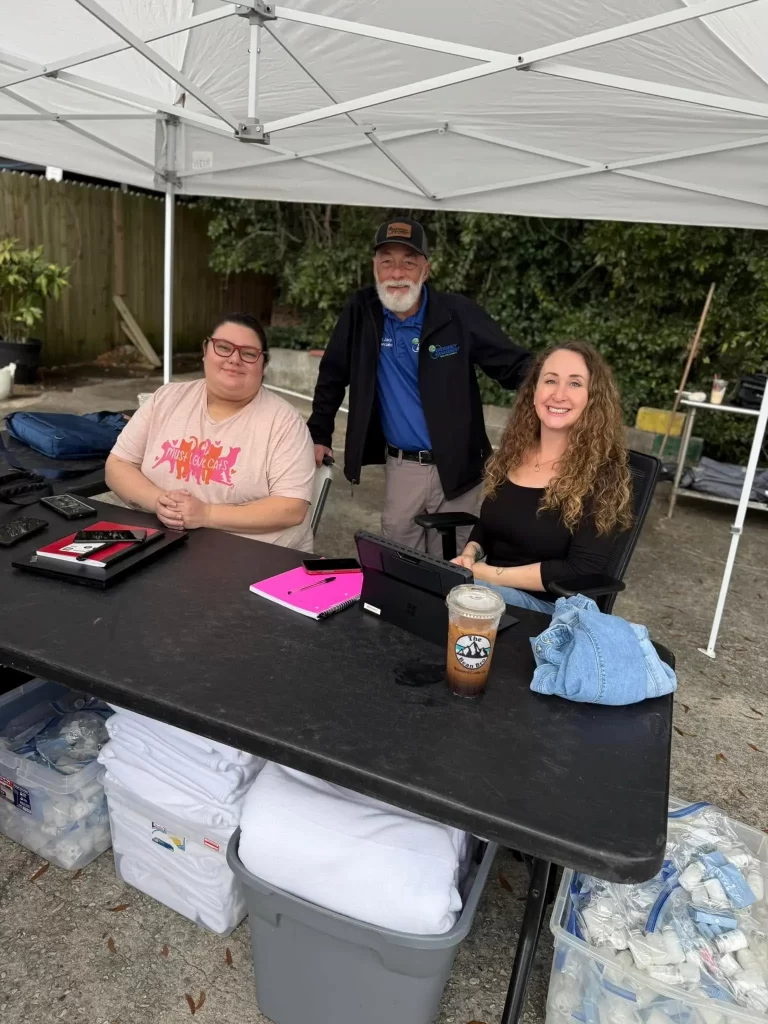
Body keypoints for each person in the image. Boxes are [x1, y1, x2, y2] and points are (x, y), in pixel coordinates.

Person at [308, 216, 531, 555]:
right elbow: (333, 373)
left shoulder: (457, 314)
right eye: (387, 262)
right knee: (400, 559)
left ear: (425, 270)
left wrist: (557, 384)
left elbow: (512, 365)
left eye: (408, 263)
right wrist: (319, 433)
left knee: (457, 561)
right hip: (403, 466)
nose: (397, 273)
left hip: (459, 467)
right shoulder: (361, 311)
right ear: (374, 268)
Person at [106, 313, 317, 551]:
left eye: (248, 354)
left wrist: (206, 514)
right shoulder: (166, 399)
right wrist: (158, 501)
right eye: (224, 347)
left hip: (253, 559)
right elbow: (118, 464)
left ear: (263, 364)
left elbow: (291, 508)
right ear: (206, 350)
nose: (234, 359)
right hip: (163, 545)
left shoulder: (284, 423)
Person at [452, 340, 633, 613]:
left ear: (592, 398)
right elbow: (489, 526)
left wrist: (486, 575)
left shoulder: (604, 473)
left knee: (450, 598)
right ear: (534, 392)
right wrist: (470, 555)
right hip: (489, 594)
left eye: (574, 383)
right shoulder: (512, 454)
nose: (558, 395)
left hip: (551, 610)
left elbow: (579, 570)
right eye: (550, 380)